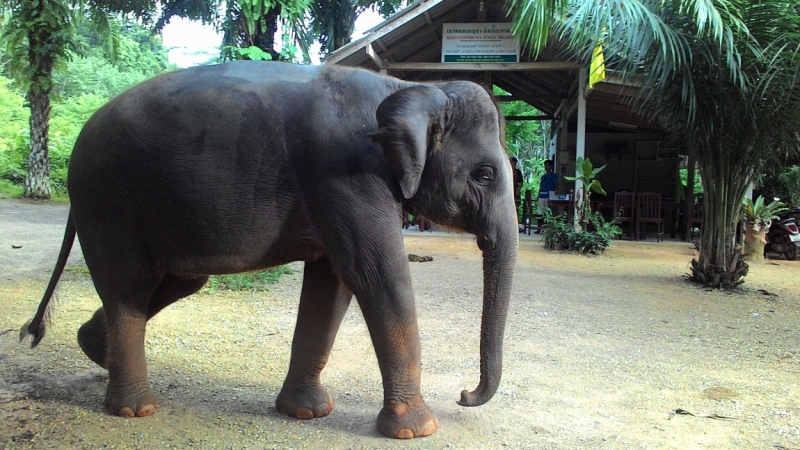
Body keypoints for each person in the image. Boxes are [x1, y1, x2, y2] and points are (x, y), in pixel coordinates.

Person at [536, 159, 558, 233]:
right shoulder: (543, 176)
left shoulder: (554, 176)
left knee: (548, 213)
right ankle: (539, 228)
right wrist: (538, 195)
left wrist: (556, 190)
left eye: (548, 165)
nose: (546, 167)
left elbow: (556, 184)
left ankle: (548, 229)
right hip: (541, 195)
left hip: (549, 195)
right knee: (539, 212)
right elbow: (541, 187)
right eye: (545, 166)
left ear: (551, 166)